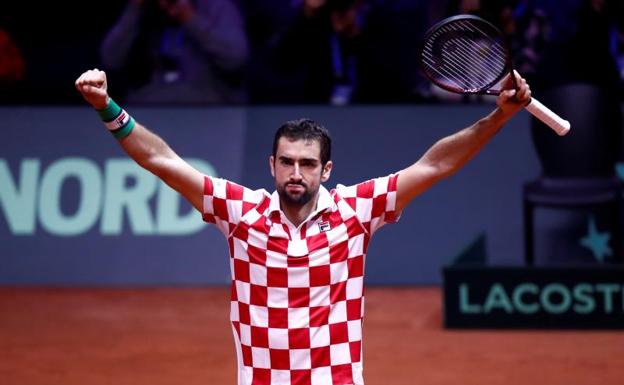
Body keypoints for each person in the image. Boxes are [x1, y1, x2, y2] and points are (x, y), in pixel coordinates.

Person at [75, 68, 531, 385]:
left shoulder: (358, 210)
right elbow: (161, 161)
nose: (297, 173)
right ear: (271, 164)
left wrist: (499, 117)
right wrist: (106, 107)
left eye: (308, 164)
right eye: (288, 162)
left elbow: (435, 165)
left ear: (325, 170)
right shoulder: (241, 212)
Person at [100, 0, 248, 104]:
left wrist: (190, 18)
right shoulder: (140, 9)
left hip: (208, 110)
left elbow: (235, 56)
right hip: (146, 111)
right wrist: (134, 10)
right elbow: (110, 59)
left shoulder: (216, 6)